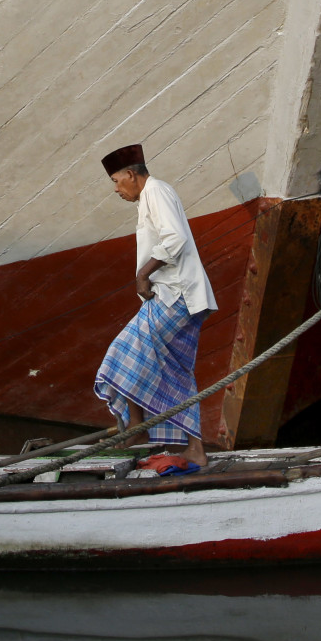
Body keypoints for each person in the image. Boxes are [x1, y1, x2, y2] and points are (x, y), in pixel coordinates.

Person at [92, 143, 217, 468]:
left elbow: (175, 238)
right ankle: (164, 437)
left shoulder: (156, 191)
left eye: (116, 181)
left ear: (131, 175)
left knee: (124, 353)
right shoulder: (151, 195)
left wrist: (142, 274)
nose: (116, 189)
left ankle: (141, 429)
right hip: (172, 295)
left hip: (176, 295)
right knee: (169, 368)